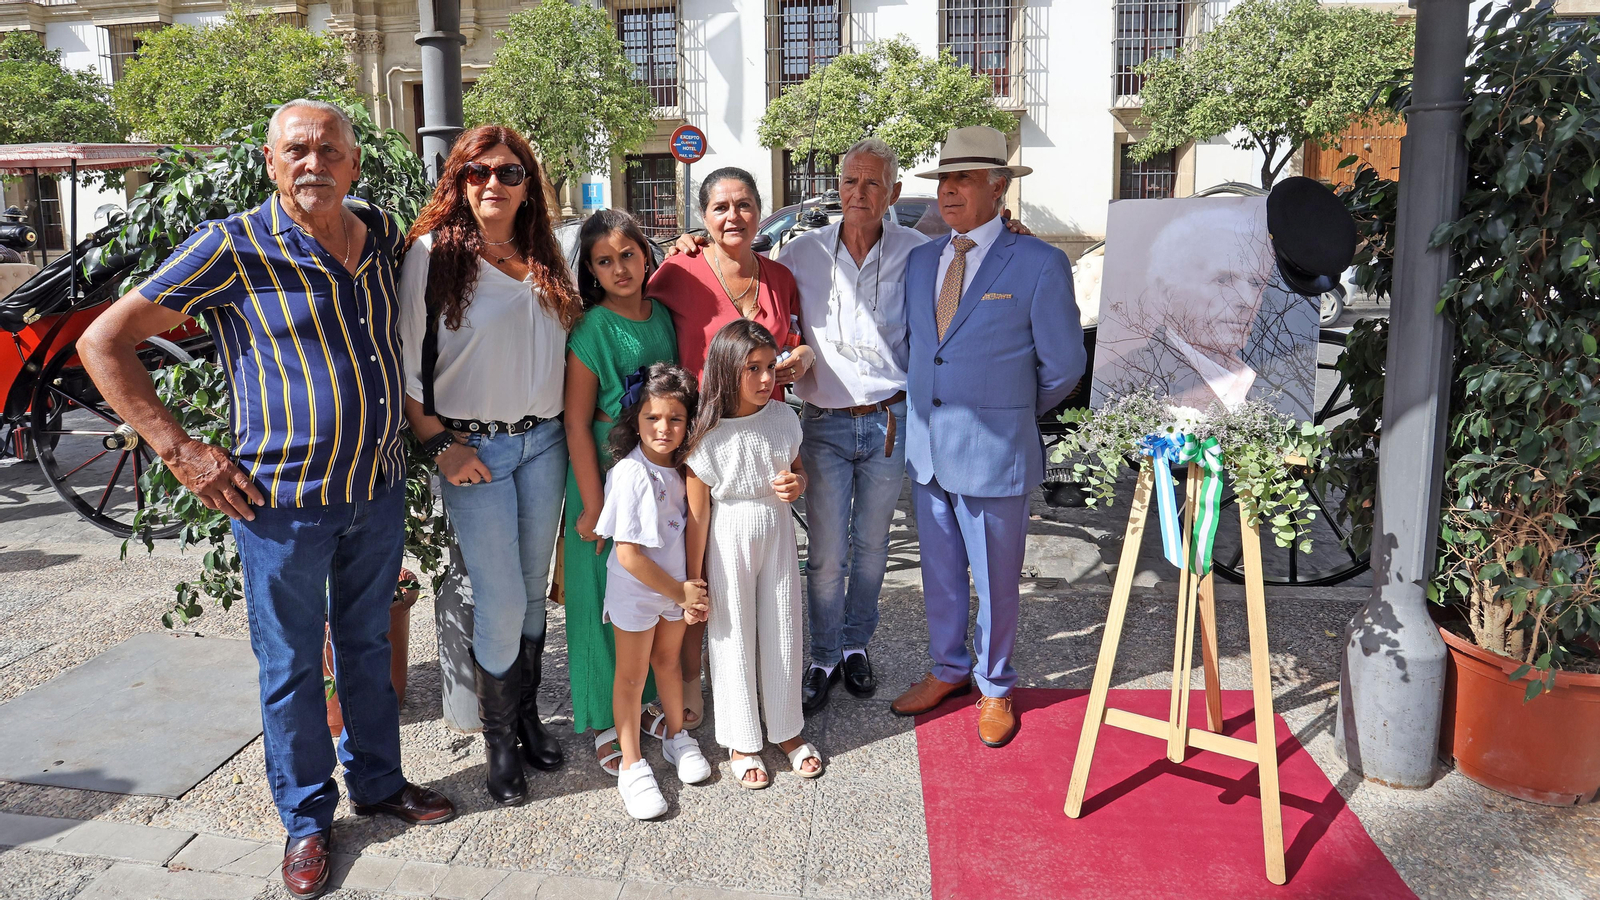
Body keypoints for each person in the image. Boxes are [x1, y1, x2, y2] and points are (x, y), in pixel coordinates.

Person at [77, 99, 455, 899]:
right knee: (290, 666)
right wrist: (180, 450)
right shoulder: (232, 246)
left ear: (354, 163)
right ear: (270, 161)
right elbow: (102, 341)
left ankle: (379, 784)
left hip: (376, 489)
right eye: (297, 150)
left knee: (365, 648)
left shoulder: (379, 233)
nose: (314, 163)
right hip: (280, 505)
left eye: (329, 150)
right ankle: (307, 819)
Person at [398, 124, 578, 806]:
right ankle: (499, 741)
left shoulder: (547, 254)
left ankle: (526, 715)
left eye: (508, 172)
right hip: (475, 450)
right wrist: (438, 443)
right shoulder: (433, 255)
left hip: (545, 443)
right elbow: (407, 358)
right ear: (459, 182)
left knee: (531, 590)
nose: (493, 183)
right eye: (478, 172)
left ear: (529, 184)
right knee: (498, 598)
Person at [889, 126, 1086, 750]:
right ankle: (948, 669)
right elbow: (919, 349)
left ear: (998, 188)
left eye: (965, 180)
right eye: (944, 179)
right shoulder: (922, 260)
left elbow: (1064, 366)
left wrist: (1011, 413)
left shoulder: (1039, 263)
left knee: (997, 581)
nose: (948, 191)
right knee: (940, 574)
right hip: (928, 451)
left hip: (996, 453)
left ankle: (995, 685)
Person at [648, 167, 814, 730]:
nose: (733, 216)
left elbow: (791, 341)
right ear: (703, 216)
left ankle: (770, 697)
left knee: (759, 579)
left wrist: (801, 357)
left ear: (760, 210)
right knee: (695, 566)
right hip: (699, 439)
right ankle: (690, 684)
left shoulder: (781, 277)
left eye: (743, 204)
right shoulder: (680, 269)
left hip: (761, 434)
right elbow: (635, 313)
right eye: (720, 207)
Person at [562, 210, 681, 774]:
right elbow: (576, 421)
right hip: (605, 478)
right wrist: (593, 503)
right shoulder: (591, 329)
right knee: (600, 600)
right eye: (604, 261)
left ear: (646, 254)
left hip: (656, 473)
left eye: (627, 255)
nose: (619, 269)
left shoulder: (663, 316)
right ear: (591, 270)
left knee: (648, 588)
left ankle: (645, 698)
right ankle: (604, 717)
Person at [684, 319, 823, 788]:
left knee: (783, 625)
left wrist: (797, 483)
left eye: (769, 366)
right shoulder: (707, 434)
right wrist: (693, 579)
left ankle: (786, 728)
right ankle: (741, 738)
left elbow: (800, 472)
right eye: (752, 369)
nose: (766, 379)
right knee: (733, 634)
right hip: (728, 540)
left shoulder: (784, 418)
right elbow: (698, 516)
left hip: (778, 534)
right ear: (727, 370)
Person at [594, 362, 714, 818]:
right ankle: (631, 764)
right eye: (653, 417)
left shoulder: (682, 470)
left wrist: (686, 591)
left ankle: (676, 736)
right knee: (631, 676)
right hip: (638, 593)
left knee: (668, 661)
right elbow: (629, 555)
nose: (664, 428)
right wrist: (683, 594)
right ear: (636, 419)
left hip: (675, 589)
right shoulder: (630, 473)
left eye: (675, 418)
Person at [1094, 203, 1317, 417]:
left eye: (1256, 283)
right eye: (1223, 280)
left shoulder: (1275, 376)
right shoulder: (1119, 381)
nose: (1248, 301)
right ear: (1166, 294)